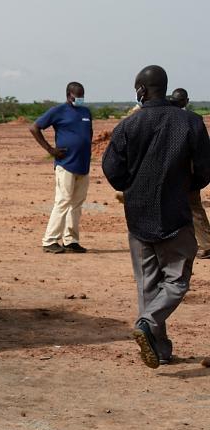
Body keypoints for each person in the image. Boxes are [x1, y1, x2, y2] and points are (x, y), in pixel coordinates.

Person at [103, 66, 210, 369]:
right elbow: (205, 168)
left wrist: (134, 189)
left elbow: (112, 169)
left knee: (147, 284)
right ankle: (149, 325)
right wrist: (187, 187)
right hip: (176, 215)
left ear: (140, 90)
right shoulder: (191, 122)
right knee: (176, 281)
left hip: (138, 218)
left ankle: (159, 349)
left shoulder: (128, 126)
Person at [30, 82, 93, 254]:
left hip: (83, 165)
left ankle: (71, 240)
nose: (80, 99)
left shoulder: (86, 112)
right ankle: (50, 240)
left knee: (77, 204)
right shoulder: (58, 111)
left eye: (82, 96)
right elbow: (35, 128)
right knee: (63, 201)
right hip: (66, 165)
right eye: (77, 96)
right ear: (68, 95)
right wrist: (50, 150)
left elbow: (88, 135)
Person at [170, 88, 210, 258]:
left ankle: (205, 244)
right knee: (193, 208)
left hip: (176, 172)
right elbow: (203, 150)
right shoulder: (195, 119)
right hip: (189, 173)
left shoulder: (169, 118)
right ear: (186, 101)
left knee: (187, 208)